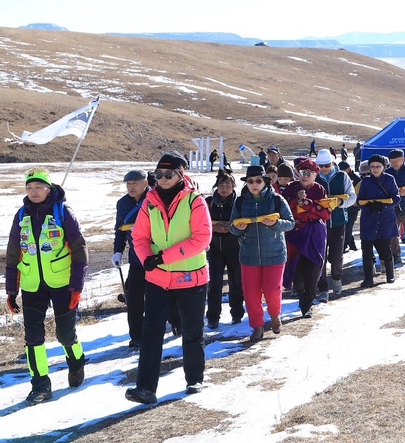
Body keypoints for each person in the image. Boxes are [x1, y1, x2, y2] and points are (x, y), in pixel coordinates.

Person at [126, 152, 211, 404]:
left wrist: (161, 257)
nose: (162, 179)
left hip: (191, 278)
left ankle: (194, 378)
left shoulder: (195, 200)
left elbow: (201, 238)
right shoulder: (149, 202)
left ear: (180, 174)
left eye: (168, 174)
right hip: (158, 279)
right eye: (158, 175)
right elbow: (139, 237)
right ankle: (145, 388)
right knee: (151, 332)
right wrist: (146, 260)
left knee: (192, 331)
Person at [5, 168, 88, 405]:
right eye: (29, 188)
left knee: (65, 334)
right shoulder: (21, 215)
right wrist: (12, 290)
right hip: (32, 285)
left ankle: (76, 361)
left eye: (38, 187)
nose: (34, 192)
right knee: (33, 337)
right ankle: (40, 385)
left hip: (62, 284)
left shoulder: (63, 213)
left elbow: (80, 252)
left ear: (48, 189)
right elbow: (13, 253)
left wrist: (76, 286)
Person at [229, 166, 295, 341]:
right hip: (249, 255)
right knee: (251, 294)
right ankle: (257, 326)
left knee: (272, 290)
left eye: (258, 180)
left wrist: (275, 224)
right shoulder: (241, 202)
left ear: (266, 182)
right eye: (250, 181)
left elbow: (290, 223)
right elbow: (232, 227)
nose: (254, 184)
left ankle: (274, 316)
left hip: (274, 253)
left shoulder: (277, 200)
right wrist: (237, 228)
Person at [281, 158, 330, 318]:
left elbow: (325, 213)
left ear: (315, 175)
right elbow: (283, 209)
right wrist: (296, 200)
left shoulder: (319, 189)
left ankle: (307, 304)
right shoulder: (290, 188)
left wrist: (308, 204)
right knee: (296, 271)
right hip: (294, 234)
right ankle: (301, 293)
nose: (305, 176)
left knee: (313, 269)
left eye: (309, 173)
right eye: (302, 173)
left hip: (315, 234)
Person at [112, 169, 150, 349]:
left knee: (163, 296)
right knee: (133, 299)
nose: (131, 187)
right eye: (128, 184)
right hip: (136, 259)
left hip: (158, 258)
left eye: (135, 183)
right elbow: (119, 229)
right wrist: (117, 251)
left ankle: (176, 323)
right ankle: (136, 336)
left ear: (145, 182)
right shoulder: (122, 203)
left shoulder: (156, 198)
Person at [205, 171, 244, 329]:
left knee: (237, 282)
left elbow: (245, 223)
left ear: (233, 186)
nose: (224, 188)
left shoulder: (240, 203)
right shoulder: (208, 202)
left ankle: (237, 313)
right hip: (214, 248)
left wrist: (231, 228)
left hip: (235, 247)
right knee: (214, 283)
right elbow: (199, 222)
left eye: (228, 185)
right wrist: (215, 228)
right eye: (221, 185)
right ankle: (213, 316)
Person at [315, 149, 356, 298]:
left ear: (332, 163)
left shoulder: (342, 176)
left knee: (337, 256)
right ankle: (323, 287)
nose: (324, 168)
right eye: (321, 166)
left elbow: (352, 197)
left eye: (326, 165)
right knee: (321, 257)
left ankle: (337, 278)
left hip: (338, 222)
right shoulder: (315, 178)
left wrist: (340, 202)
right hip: (319, 223)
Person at [356, 154, 400, 285]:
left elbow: (396, 198)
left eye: (378, 166)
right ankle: (368, 278)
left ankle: (390, 275)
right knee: (366, 249)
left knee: (385, 248)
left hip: (385, 219)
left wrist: (384, 205)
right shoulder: (365, 181)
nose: (375, 169)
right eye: (372, 166)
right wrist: (368, 205)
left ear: (383, 167)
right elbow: (359, 201)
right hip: (368, 219)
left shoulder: (390, 179)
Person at [339, 161, 361, 252]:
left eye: (344, 170)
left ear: (349, 168)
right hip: (342, 205)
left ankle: (344, 246)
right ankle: (352, 245)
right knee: (345, 227)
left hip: (353, 207)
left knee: (348, 227)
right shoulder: (340, 177)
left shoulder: (356, 179)